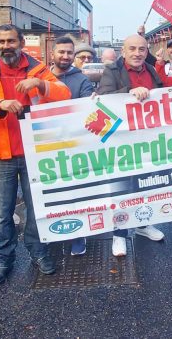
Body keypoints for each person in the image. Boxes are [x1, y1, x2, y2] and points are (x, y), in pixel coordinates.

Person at [0, 24, 71, 286]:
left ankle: (38, 252)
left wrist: (39, 83)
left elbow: (64, 94)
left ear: (22, 42)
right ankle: (5, 258)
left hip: (34, 153)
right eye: (1, 41)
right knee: (2, 213)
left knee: (36, 208)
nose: (6, 46)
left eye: (11, 41)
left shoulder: (37, 69)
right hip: (1, 153)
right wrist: (0, 105)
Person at [98, 34, 165, 257]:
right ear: (123, 52)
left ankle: (143, 224)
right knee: (123, 189)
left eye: (142, 49)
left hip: (148, 141)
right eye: (133, 49)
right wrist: (129, 93)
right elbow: (104, 97)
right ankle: (119, 234)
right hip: (122, 143)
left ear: (147, 51)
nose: (137, 53)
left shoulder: (152, 70)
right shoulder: (112, 71)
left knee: (146, 186)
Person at [49, 36, 95, 255]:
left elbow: (87, 107)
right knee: (51, 193)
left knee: (76, 194)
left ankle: (78, 234)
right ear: (53, 54)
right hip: (46, 147)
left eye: (69, 53)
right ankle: (53, 232)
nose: (65, 56)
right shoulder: (41, 77)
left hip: (75, 146)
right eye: (62, 52)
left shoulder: (82, 81)